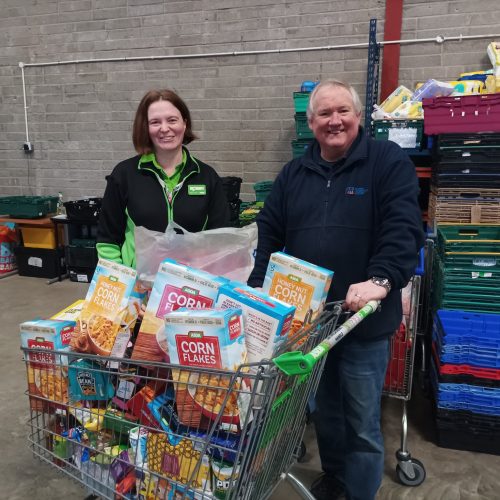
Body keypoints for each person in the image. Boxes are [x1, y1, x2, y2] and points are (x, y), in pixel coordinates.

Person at [247, 79, 425, 500]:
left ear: (359, 117)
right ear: (310, 123)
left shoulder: (386, 161)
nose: (335, 121)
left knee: (361, 419)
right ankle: (334, 477)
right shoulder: (294, 174)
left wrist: (381, 279)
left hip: (364, 323)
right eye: (324, 114)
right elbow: (269, 231)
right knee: (325, 411)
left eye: (343, 111)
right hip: (313, 323)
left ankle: (360, 491)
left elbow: (404, 227)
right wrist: (256, 287)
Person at [97, 89, 230, 268]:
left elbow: (220, 241)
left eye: (172, 120)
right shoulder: (124, 175)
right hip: (138, 288)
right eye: (155, 122)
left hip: (189, 289)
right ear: (146, 128)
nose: (165, 128)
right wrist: (121, 284)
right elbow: (108, 240)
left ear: (184, 123)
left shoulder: (206, 177)